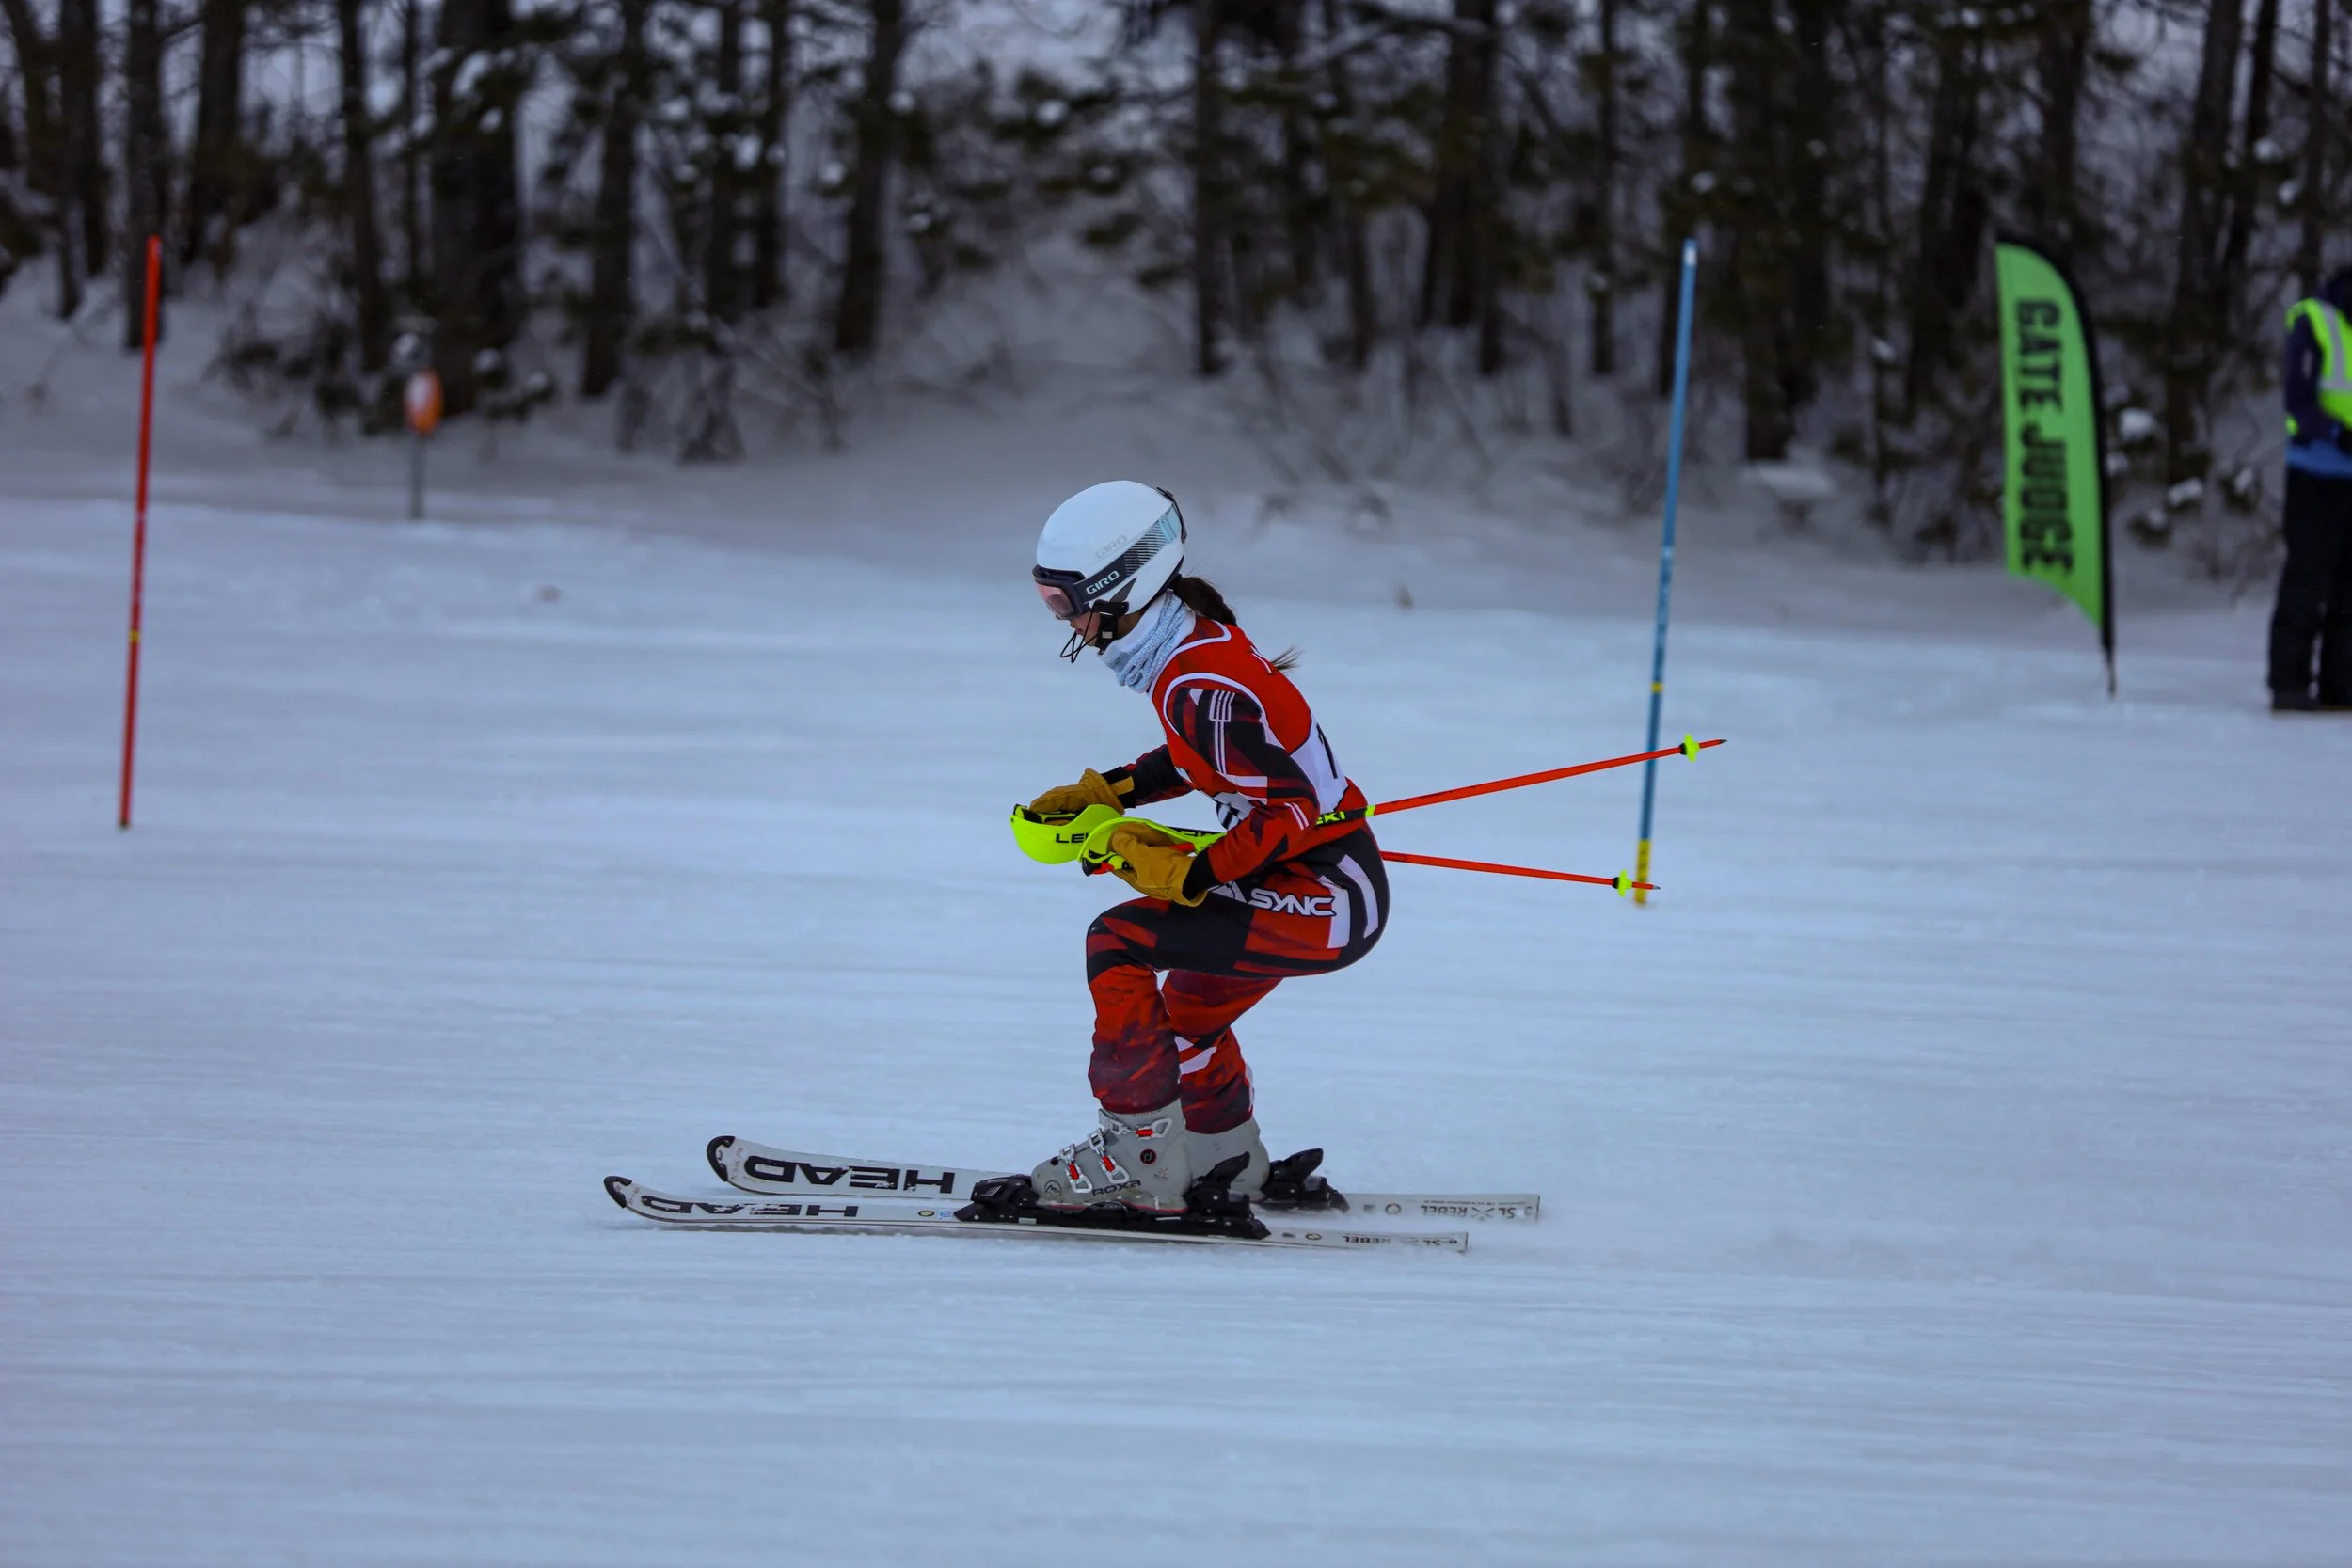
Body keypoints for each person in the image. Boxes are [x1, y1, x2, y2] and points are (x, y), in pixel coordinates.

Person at [1022, 481, 1388, 1214]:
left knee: (1116, 939)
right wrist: (1112, 791)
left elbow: (1292, 806)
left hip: (1324, 895)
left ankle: (1138, 1151)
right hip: (1324, 882)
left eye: (1064, 603)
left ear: (1120, 590)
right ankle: (1225, 1154)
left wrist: (1191, 873)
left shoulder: (1198, 678)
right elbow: (1203, 757)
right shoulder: (1191, 647)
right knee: (1185, 1014)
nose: (1065, 622)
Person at [2270, 264, 2352, 711]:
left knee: (2348, 586)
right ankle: (2289, 681)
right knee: (2307, 576)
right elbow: (2297, 397)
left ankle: (2342, 683)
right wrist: (2336, 435)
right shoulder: (2316, 320)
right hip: (2315, 472)